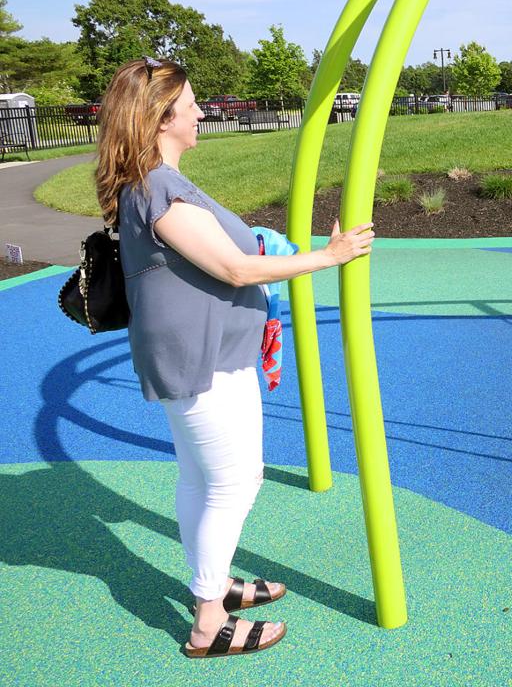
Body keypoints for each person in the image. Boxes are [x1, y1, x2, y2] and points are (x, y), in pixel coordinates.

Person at [93, 57, 374, 658]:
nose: (200, 111)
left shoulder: (155, 182)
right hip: (202, 362)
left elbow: (225, 253)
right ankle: (207, 620)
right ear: (160, 118)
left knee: (201, 479)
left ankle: (214, 586)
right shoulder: (158, 186)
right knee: (234, 483)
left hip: (202, 355)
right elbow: (234, 267)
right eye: (190, 103)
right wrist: (332, 256)